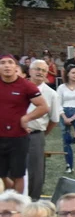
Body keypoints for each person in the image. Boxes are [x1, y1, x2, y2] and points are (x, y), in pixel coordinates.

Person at [0, 54, 49, 194]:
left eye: (10, 63)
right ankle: (10, 195)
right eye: (3, 63)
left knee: (18, 175)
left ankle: (18, 207)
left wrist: (27, 118)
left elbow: (43, 107)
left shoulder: (26, 86)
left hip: (18, 138)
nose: (7, 65)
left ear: (16, 67)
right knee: (1, 175)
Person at [25, 60, 61, 199]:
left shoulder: (51, 94)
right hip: (13, 135)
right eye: (37, 69)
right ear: (30, 71)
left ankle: (32, 201)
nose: (40, 72)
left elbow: (54, 120)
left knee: (35, 171)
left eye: (43, 70)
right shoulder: (20, 87)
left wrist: (40, 133)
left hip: (35, 135)